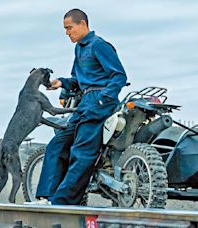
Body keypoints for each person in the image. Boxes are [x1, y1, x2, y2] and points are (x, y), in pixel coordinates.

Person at [34, 9, 127, 205]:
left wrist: (103, 99)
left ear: (82, 24)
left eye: (69, 28)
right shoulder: (79, 49)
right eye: (65, 29)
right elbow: (77, 80)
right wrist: (61, 83)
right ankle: (46, 196)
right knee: (57, 144)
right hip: (83, 103)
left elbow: (119, 75)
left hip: (99, 102)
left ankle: (62, 201)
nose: (67, 33)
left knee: (81, 151)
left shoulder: (99, 45)